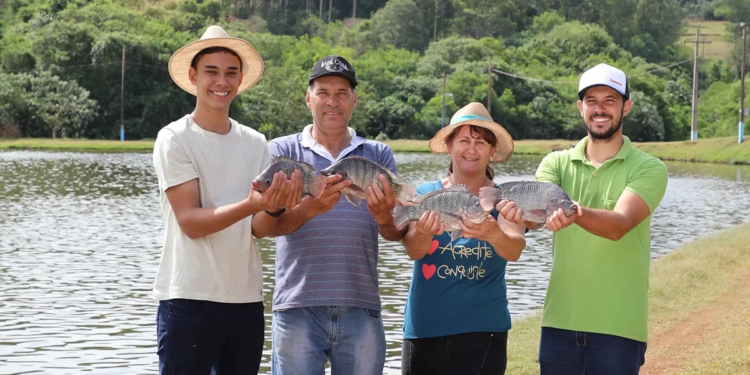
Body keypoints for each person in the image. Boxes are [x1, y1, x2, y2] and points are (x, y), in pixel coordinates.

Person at [151, 25, 303, 375]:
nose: (222, 81)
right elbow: (190, 222)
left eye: (231, 72)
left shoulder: (255, 142)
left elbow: (259, 229)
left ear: (240, 79)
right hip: (189, 297)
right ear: (193, 76)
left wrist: (277, 205)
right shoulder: (175, 138)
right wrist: (252, 204)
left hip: (245, 299)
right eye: (211, 72)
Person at [251, 55, 405, 375]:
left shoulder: (378, 154)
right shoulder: (281, 152)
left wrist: (383, 216)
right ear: (308, 98)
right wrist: (309, 209)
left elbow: (394, 232)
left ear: (354, 99)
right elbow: (264, 227)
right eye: (323, 92)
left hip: (361, 305)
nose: (332, 101)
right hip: (296, 306)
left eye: (341, 92)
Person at [531, 63, 669, 374]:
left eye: (610, 100)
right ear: (580, 108)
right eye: (591, 101)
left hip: (619, 326)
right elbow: (534, 213)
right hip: (559, 323)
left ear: (626, 107)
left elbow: (620, 224)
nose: (600, 109)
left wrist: (572, 211)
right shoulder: (555, 163)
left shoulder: (648, 168)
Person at [399, 102, 528, 375]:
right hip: (424, 329)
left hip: (485, 330)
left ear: (493, 151)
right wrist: (423, 232)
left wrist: (494, 234)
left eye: (481, 142)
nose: (471, 149)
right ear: (449, 145)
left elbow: (515, 248)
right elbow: (413, 250)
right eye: (464, 140)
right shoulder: (426, 194)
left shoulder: (504, 198)